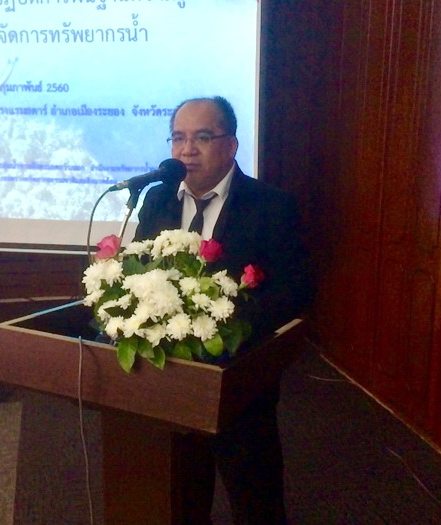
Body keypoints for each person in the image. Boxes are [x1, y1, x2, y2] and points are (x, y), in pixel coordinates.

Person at [134, 96, 313, 524]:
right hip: (169, 378)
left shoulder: (272, 206)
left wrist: (222, 325)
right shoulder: (157, 199)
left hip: (239, 379)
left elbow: (294, 292)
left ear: (230, 145)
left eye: (202, 137)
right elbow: (138, 270)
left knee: (254, 496)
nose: (186, 150)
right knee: (182, 492)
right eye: (178, 138)